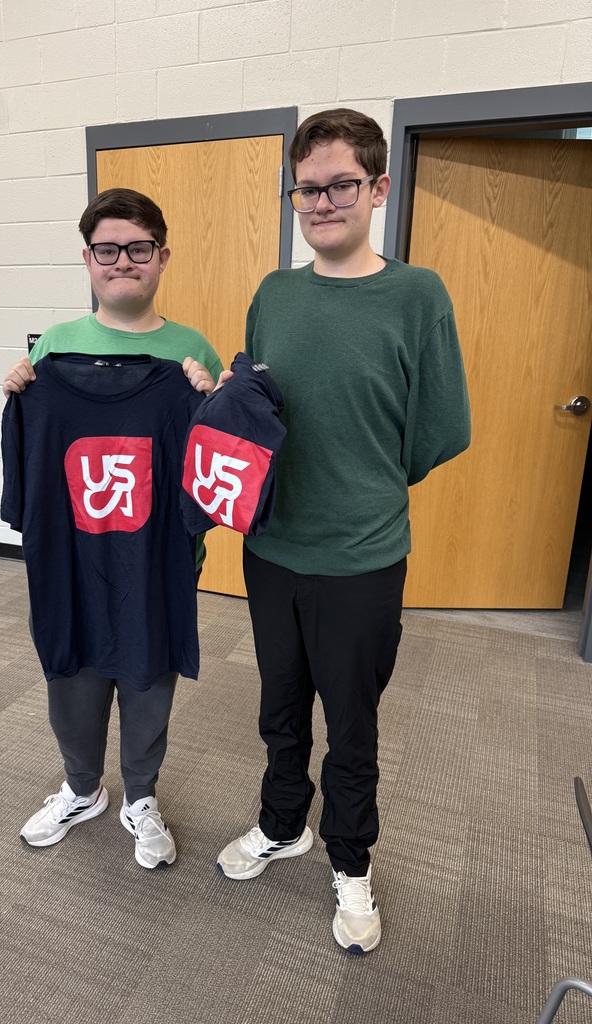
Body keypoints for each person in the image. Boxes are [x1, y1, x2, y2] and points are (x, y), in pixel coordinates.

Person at [205, 109, 471, 952]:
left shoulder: (417, 293)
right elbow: (259, 408)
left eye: (341, 185)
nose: (322, 203)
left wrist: (364, 488)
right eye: (307, 188)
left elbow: (439, 430)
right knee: (280, 707)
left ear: (377, 188)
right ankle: (284, 824)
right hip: (272, 549)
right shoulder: (274, 293)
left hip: (360, 558)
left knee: (351, 725)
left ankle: (351, 865)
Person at [2, 188, 222, 869]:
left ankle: (141, 798)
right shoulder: (55, 350)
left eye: (137, 249)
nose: (122, 261)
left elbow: (214, 472)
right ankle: (81, 788)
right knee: (73, 674)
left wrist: (211, 401)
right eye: (107, 249)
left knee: (149, 679)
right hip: (71, 560)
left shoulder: (191, 352)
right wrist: (18, 396)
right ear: (89, 258)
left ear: (161, 257)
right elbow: (27, 488)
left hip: (157, 559)